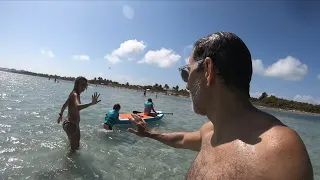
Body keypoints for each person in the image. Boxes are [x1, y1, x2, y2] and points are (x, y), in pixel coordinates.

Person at [128, 32, 314, 179]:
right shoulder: (210, 131)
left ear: (208, 70)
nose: (186, 84)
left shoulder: (280, 149)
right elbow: (182, 139)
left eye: (187, 74)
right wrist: (150, 134)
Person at [57, 76, 101, 151]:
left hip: (68, 123)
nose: (84, 87)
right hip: (72, 125)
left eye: (85, 85)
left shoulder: (73, 93)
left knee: (73, 148)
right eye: (82, 84)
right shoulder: (75, 95)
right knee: (74, 150)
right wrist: (91, 103)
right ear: (77, 84)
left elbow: (65, 105)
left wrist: (61, 115)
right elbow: (77, 107)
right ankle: (68, 163)